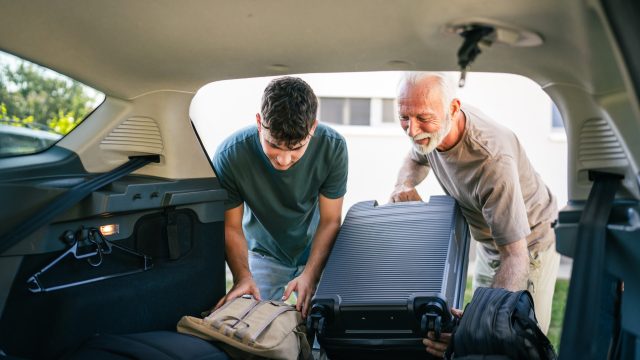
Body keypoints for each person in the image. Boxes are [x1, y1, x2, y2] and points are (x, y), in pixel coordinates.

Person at [389, 72, 560, 357]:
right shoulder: (431, 126)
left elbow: (515, 256)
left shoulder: (492, 160)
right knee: (478, 337)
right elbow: (415, 156)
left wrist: (473, 327)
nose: (412, 130)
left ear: (453, 110)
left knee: (516, 341)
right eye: (404, 117)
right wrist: (402, 184)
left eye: (422, 119)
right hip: (489, 240)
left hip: (529, 245)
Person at [212, 76, 348, 318]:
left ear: (313, 128)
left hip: (316, 249)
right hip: (264, 252)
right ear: (259, 122)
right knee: (255, 325)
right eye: (273, 145)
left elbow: (330, 220)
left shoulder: (333, 147)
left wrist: (310, 274)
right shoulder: (230, 155)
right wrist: (243, 276)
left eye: (296, 148)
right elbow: (231, 226)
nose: (284, 160)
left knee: (328, 322)